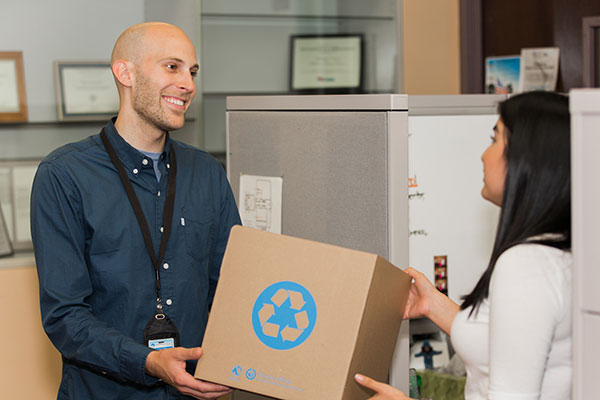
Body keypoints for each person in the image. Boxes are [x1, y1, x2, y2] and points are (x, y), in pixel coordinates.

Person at [30, 22, 241, 399]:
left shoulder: (207, 173)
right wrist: (146, 361)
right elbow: (64, 316)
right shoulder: (64, 175)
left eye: (192, 72)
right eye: (172, 67)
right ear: (125, 73)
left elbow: (231, 291)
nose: (188, 84)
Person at [355, 91, 572, 399]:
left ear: (527, 160)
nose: (484, 154)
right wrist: (433, 303)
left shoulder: (527, 264)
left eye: (495, 139)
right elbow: (510, 344)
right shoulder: (558, 252)